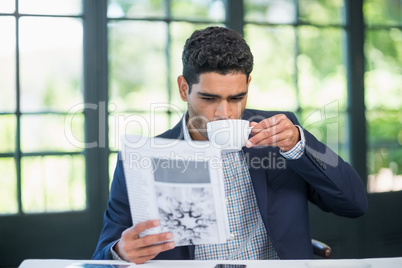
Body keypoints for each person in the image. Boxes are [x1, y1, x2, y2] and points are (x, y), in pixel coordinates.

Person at [92, 26, 367, 264]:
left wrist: (298, 145)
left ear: (248, 84)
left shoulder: (279, 136)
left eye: (236, 98)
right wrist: (120, 252)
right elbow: (100, 259)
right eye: (209, 99)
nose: (224, 113)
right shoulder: (144, 158)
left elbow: (354, 203)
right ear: (184, 88)